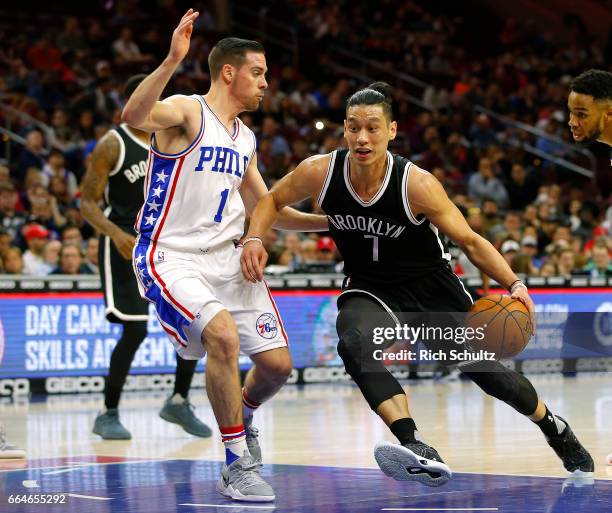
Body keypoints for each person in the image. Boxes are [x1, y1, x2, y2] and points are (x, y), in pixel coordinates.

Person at [241, 82, 594, 487]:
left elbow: (470, 241)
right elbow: (269, 200)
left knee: (485, 372)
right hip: (370, 285)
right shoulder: (320, 171)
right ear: (343, 130)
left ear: (392, 131)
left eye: (373, 127)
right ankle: (416, 445)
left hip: (430, 288)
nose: (362, 137)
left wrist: (515, 283)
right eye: (354, 127)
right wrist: (255, 237)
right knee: (353, 343)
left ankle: (554, 427)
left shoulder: (417, 183)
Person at [121, 9, 327, 502]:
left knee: (278, 366)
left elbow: (268, 208)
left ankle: (245, 416)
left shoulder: (247, 139)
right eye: (258, 73)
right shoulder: (188, 111)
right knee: (223, 338)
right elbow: (133, 117)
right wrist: (173, 59)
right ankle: (236, 463)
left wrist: (338, 222)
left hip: (226, 260)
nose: (265, 84)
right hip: (170, 255)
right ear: (229, 72)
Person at [80, 74, 211, 440]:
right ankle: (108, 413)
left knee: (192, 323)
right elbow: (87, 201)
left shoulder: (175, 140)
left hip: (166, 242)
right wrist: (115, 234)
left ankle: (179, 400)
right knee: (135, 329)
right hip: (124, 240)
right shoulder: (113, 143)